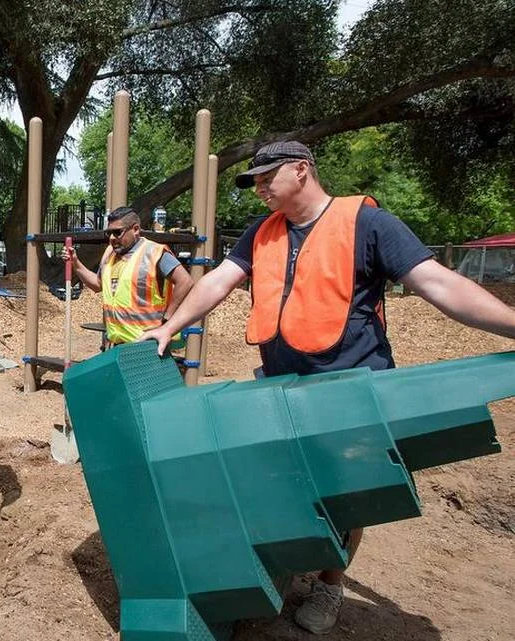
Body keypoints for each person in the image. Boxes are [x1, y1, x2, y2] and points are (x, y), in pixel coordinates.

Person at [140, 140, 515, 635]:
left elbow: (439, 285)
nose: (259, 189)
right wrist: (170, 327)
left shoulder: (367, 223)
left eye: (266, 177)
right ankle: (286, 562)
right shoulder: (261, 233)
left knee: (345, 495)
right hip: (283, 388)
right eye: (253, 181)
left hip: (352, 387)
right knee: (282, 482)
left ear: (302, 169)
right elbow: (216, 283)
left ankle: (330, 582)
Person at [62, 206, 193, 348]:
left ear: (135, 229)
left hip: (147, 346)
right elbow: (97, 284)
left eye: (117, 232)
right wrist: (75, 262)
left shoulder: (154, 252)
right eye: (109, 233)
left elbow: (185, 281)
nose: (112, 238)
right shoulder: (110, 256)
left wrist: (168, 319)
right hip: (116, 344)